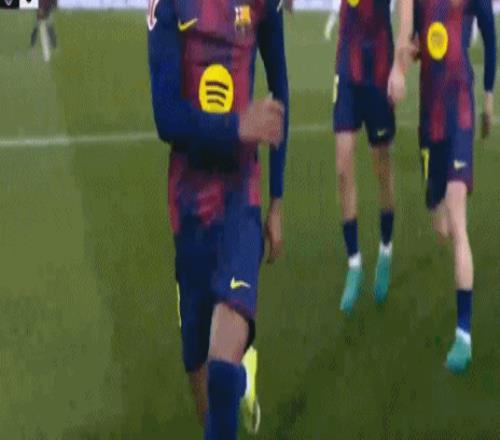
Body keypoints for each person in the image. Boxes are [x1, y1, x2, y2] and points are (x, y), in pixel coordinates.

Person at [148, 0, 289, 436]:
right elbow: (166, 117)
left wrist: (277, 200)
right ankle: (239, 379)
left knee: (221, 364)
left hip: (240, 196)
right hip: (189, 204)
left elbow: (279, 92)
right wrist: (236, 127)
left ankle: (235, 374)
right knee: (198, 362)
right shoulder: (168, 5)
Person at [388, 0, 496, 374]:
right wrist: (400, 67)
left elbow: (491, 37)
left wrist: (488, 100)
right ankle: (439, 209)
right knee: (441, 225)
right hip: (429, 120)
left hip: (460, 111)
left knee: (457, 218)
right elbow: (411, 43)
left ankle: (464, 335)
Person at [333, 0, 397, 315]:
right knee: (343, 164)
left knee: (381, 165)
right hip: (347, 64)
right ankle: (354, 263)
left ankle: (385, 249)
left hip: (380, 66)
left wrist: (400, 66)